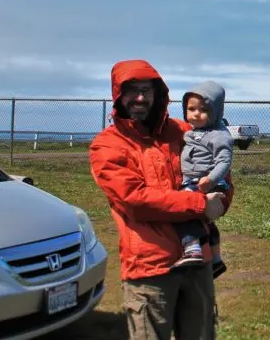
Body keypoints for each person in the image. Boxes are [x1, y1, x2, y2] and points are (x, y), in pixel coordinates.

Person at [89, 59, 232, 340]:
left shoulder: (183, 132)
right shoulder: (107, 145)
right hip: (149, 268)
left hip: (198, 263)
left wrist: (221, 199)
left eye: (147, 90)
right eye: (131, 90)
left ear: (159, 94)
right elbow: (135, 201)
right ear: (117, 95)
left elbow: (220, 172)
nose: (140, 97)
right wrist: (202, 205)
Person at [172, 81, 234, 279]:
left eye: (204, 109)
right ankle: (216, 260)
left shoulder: (219, 135)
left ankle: (192, 249)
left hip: (205, 182)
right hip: (193, 180)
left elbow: (224, 162)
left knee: (182, 209)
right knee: (205, 221)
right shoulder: (192, 132)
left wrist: (211, 179)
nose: (196, 114)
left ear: (216, 111)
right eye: (191, 109)